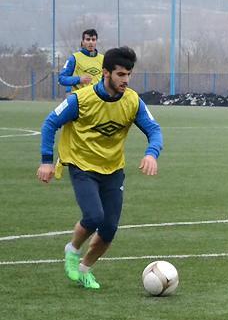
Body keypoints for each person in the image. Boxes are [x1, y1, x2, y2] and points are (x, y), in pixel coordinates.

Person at [37, 46, 163, 289]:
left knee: (109, 228)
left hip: (113, 169)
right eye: (120, 74)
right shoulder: (80, 100)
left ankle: (85, 269)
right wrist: (46, 160)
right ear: (106, 73)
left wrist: (151, 154)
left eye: (129, 74)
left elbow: (154, 130)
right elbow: (50, 123)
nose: (126, 80)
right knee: (94, 216)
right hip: (82, 165)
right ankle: (72, 249)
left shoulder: (132, 101)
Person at [59, 29, 104, 93]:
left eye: (93, 40)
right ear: (82, 42)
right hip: (80, 97)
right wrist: (79, 79)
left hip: (97, 98)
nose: (91, 42)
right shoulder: (74, 58)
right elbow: (61, 79)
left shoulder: (103, 59)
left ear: (96, 42)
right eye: (88, 39)